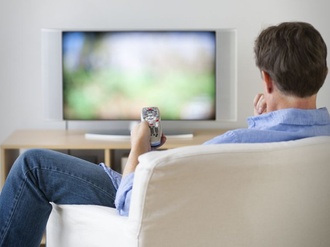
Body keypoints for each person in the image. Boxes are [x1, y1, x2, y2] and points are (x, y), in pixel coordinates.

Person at [1, 21, 330, 247]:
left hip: (153, 203)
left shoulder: (233, 145)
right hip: (228, 212)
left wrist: (138, 150)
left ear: (266, 80)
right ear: (322, 74)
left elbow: (132, 206)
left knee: (32, 165)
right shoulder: (322, 142)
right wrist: (264, 121)